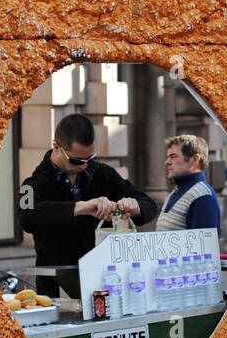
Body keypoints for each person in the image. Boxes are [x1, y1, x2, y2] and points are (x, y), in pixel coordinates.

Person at [19, 113, 158, 298]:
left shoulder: (103, 173)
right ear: (56, 147)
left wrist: (135, 206)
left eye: (90, 157)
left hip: (105, 282)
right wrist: (80, 207)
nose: (84, 166)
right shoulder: (33, 183)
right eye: (77, 160)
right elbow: (26, 217)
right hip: (58, 287)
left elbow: (149, 205)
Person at [158, 134, 221, 231]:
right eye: (168, 157)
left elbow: (204, 245)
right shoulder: (176, 192)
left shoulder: (203, 197)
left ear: (195, 159)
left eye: (173, 156)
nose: (167, 162)